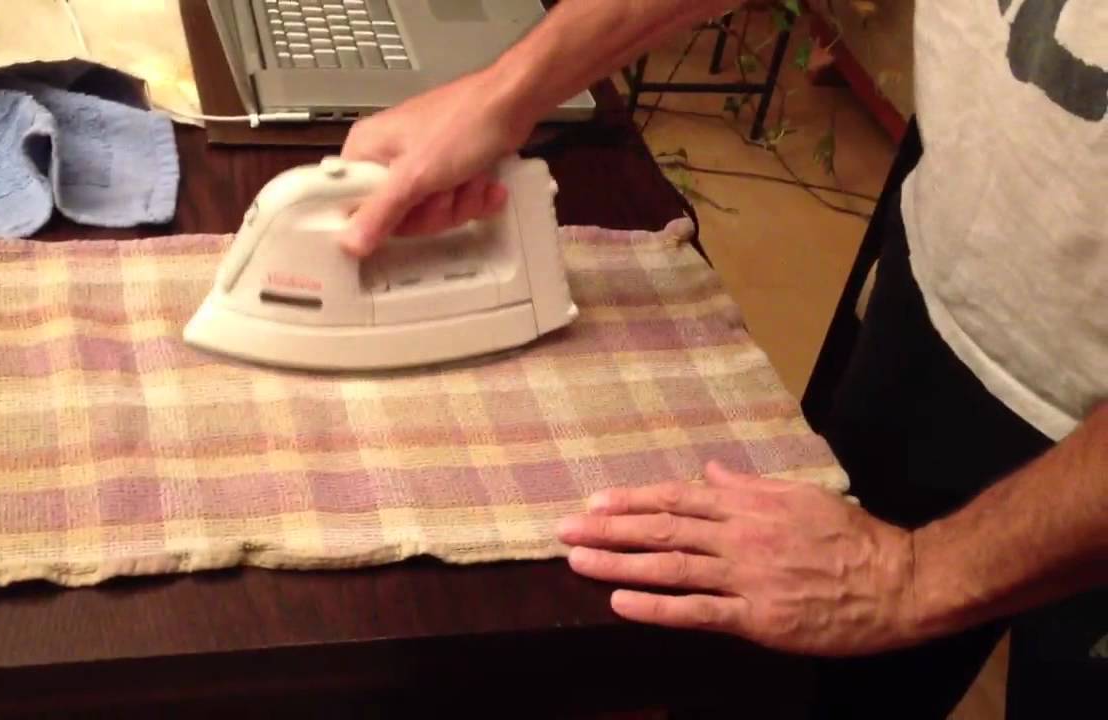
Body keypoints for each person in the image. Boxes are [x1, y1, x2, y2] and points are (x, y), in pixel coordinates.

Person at [338, 0, 1107, 717]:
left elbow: (898, 580)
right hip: (948, 291)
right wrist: (506, 93)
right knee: (802, 674)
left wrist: (913, 578)